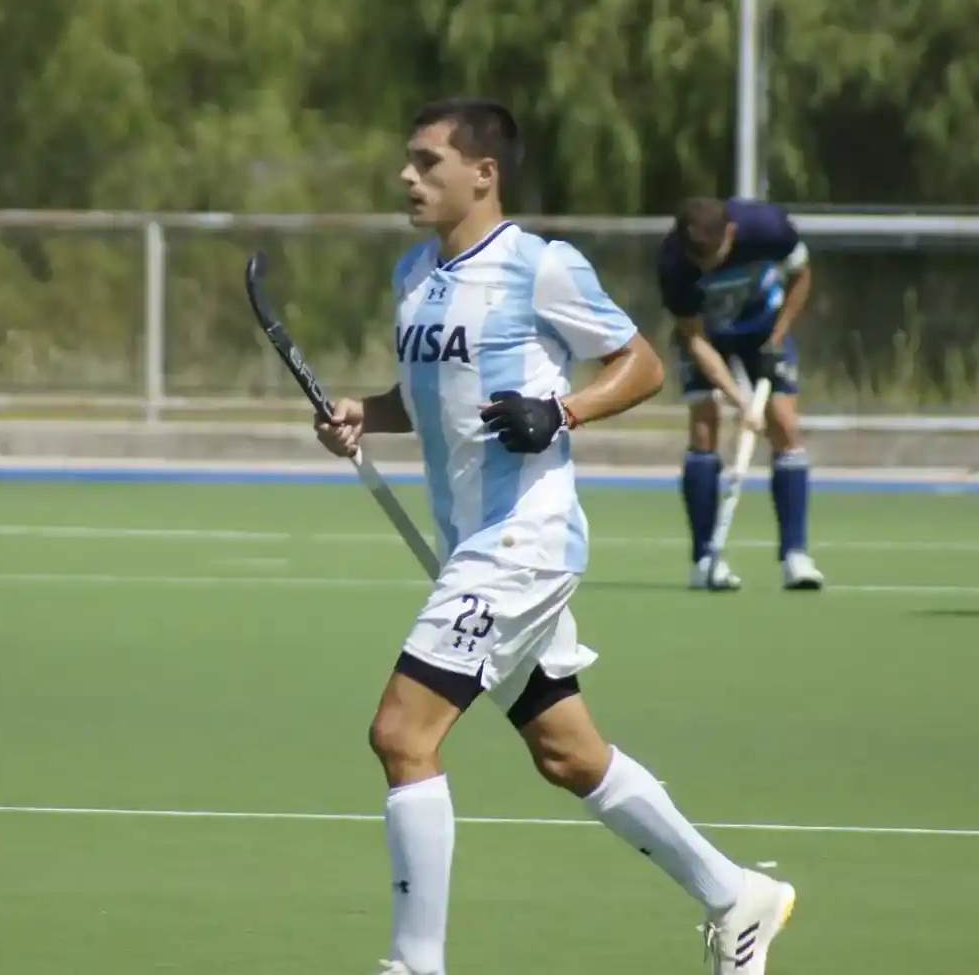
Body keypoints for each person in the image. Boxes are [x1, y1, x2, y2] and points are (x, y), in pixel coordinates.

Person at [315, 98, 796, 975]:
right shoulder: (412, 277)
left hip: (521, 544)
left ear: (483, 174)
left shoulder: (539, 267)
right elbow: (428, 398)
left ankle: (413, 965)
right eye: (409, 162)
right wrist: (362, 412)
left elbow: (642, 363)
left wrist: (561, 409)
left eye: (427, 162)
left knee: (402, 734)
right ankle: (737, 896)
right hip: (470, 544)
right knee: (567, 753)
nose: (407, 178)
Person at [656, 196, 824, 591]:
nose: (706, 267)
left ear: (731, 234)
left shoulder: (768, 228)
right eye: (698, 261)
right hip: (707, 335)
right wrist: (742, 402)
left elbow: (802, 277)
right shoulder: (673, 262)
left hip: (763, 325)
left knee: (784, 424)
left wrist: (777, 339)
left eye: (713, 256)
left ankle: (796, 556)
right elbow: (694, 339)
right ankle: (704, 559)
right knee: (703, 426)